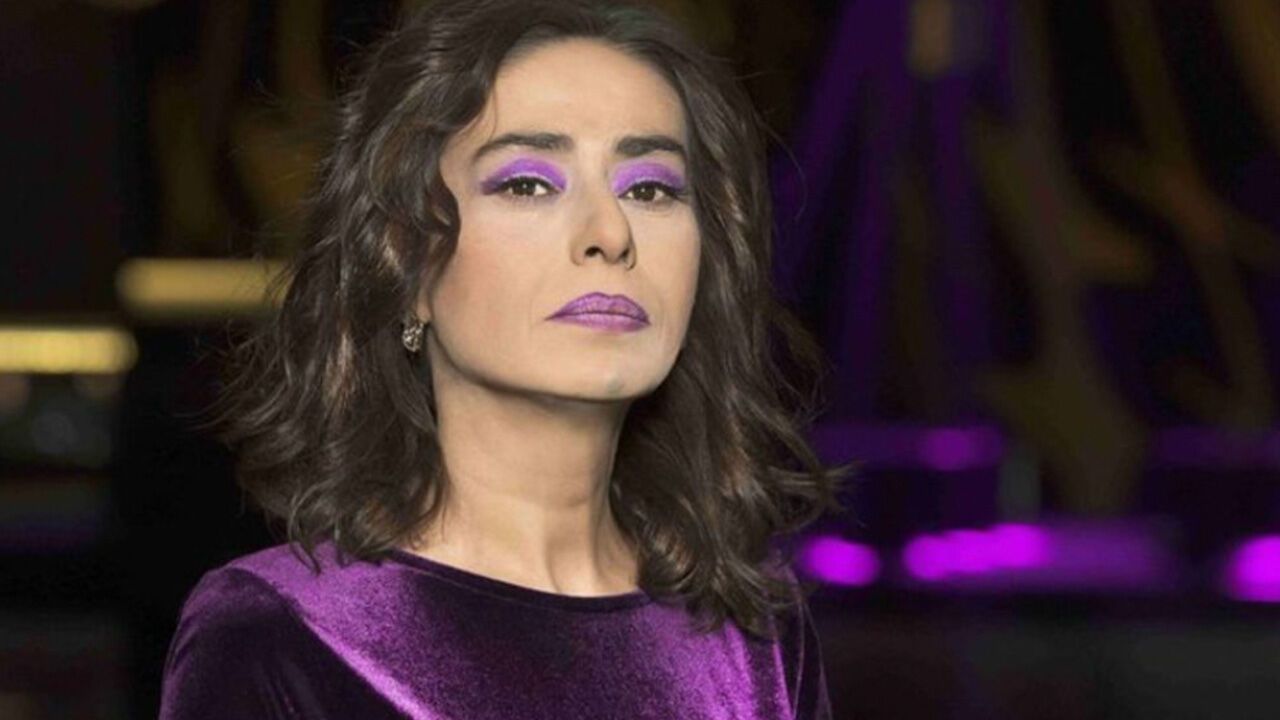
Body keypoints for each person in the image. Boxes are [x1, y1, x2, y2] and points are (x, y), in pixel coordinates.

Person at [158, 0, 851, 717]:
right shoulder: (286, 635)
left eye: (650, 188)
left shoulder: (753, 632)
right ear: (404, 259)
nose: (610, 232)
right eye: (528, 184)